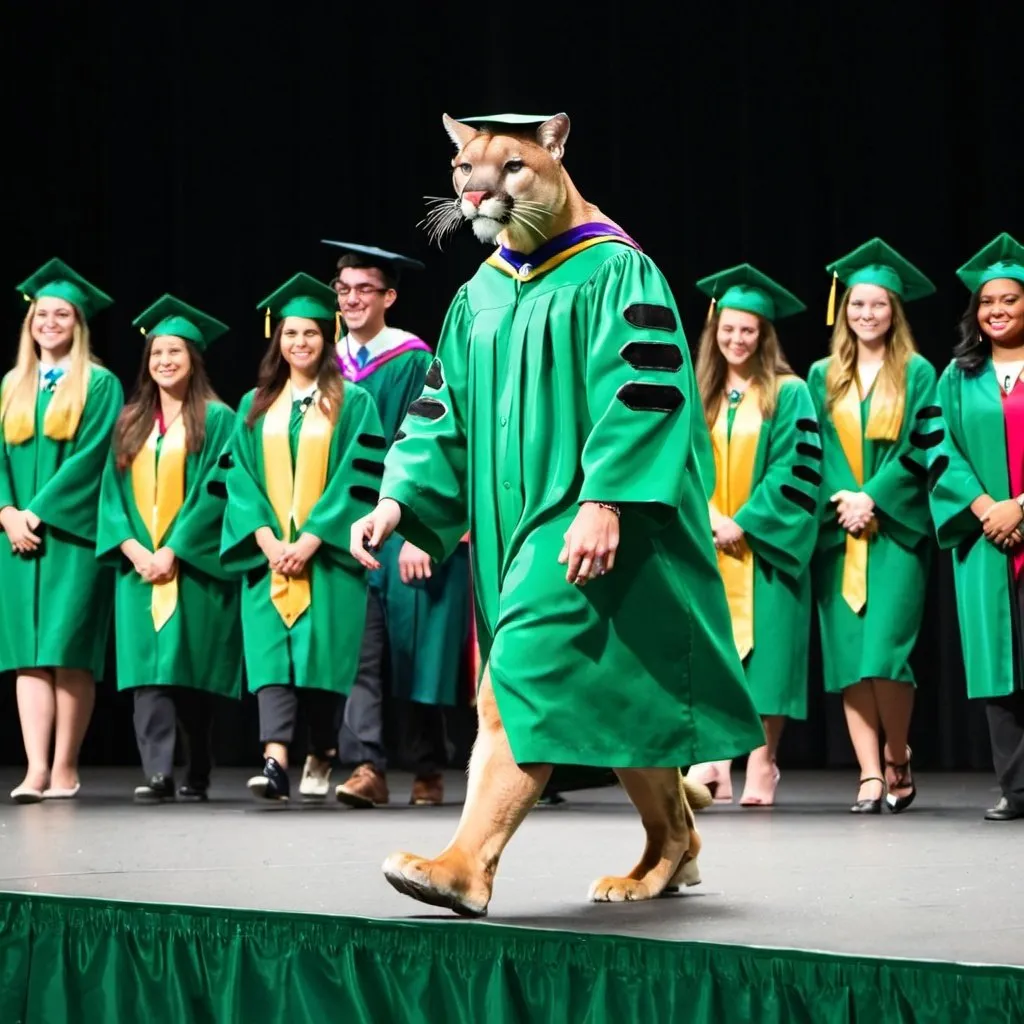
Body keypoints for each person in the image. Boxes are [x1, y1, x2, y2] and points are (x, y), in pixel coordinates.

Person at [351, 111, 763, 916]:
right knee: (620, 691)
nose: (480, 191)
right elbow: (444, 411)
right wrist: (398, 497)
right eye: (467, 174)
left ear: (557, 156)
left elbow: (646, 390)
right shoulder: (481, 292)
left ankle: (472, 862)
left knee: (515, 680)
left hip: (586, 517)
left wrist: (605, 498)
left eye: (509, 171)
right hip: (508, 529)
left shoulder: (616, 270)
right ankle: (674, 843)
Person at [221, 273, 384, 802]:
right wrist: (269, 542)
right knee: (271, 660)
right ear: (278, 340)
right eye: (290, 334)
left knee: (321, 662)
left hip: (328, 560)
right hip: (269, 558)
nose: (300, 343)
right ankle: (275, 761)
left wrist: (313, 539)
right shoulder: (254, 405)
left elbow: (359, 477)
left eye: (310, 333)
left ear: (326, 338)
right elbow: (238, 478)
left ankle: (323, 749)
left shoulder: (354, 402)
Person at [324, 240, 471, 809]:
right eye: (344, 289)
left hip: (406, 531)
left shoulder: (413, 359)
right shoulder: (327, 363)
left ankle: (429, 766)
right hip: (346, 530)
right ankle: (365, 765)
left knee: (420, 653)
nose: (353, 299)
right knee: (359, 655)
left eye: (366, 289)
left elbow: (428, 449)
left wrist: (418, 532)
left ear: (389, 296)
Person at [808, 238, 939, 814]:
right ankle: (868, 773)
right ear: (845, 310)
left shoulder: (918, 372)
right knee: (849, 659)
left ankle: (898, 757)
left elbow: (922, 446)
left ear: (895, 310)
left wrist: (874, 498)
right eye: (857, 305)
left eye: (878, 305)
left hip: (896, 534)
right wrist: (845, 499)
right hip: (839, 530)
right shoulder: (820, 376)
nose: (866, 314)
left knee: (886, 653)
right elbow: (813, 445)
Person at [686, 264, 821, 806]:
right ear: (714, 331)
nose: (737, 339)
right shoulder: (699, 391)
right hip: (706, 542)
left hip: (765, 546)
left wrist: (745, 521)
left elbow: (799, 466)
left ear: (764, 335)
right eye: (728, 330)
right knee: (710, 656)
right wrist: (708, 516)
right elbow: (682, 466)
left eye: (748, 331)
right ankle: (715, 760)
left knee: (769, 659)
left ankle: (763, 763)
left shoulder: (790, 392)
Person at [97, 295, 241, 802]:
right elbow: (110, 497)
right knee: (147, 674)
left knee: (192, 671)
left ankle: (197, 768)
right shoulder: (129, 420)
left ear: (194, 358)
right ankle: (157, 771)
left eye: (175, 352)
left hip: (192, 567)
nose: (164, 361)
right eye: (157, 352)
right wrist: (135, 549)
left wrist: (175, 549)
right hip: (139, 567)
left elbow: (214, 493)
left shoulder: (219, 419)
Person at [0, 258, 123, 803]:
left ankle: (66, 767)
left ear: (78, 323)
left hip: (69, 538)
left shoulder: (99, 384)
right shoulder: (11, 384)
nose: (50, 322)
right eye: (41, 313)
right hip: (15, 539)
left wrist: (39, 512)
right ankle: (34, 770)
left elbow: (93, 456)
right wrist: (6, 511)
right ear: (30, 323)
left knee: (67, 649)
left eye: (62, 314)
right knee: (27, 654)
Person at [929, 232, 1024, 821]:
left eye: (1010, 299)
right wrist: (990, 507)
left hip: (1012, 522)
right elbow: (942, 449)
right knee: (999, 669)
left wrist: (1022, 505)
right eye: (988, 301)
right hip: (986, 539)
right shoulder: (958, 377)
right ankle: (1017, 789)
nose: (997, 310)